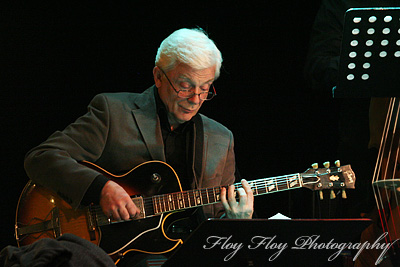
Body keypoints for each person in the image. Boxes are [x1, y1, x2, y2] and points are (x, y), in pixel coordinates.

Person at [23, 28, 254, 265]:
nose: (195, 99)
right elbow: (41, 157)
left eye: (205, 88)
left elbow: (217, 224)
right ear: (158, 76)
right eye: (184, 86)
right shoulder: (113, 112)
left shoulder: (222, 138)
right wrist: (101, 188)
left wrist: (237, 221)